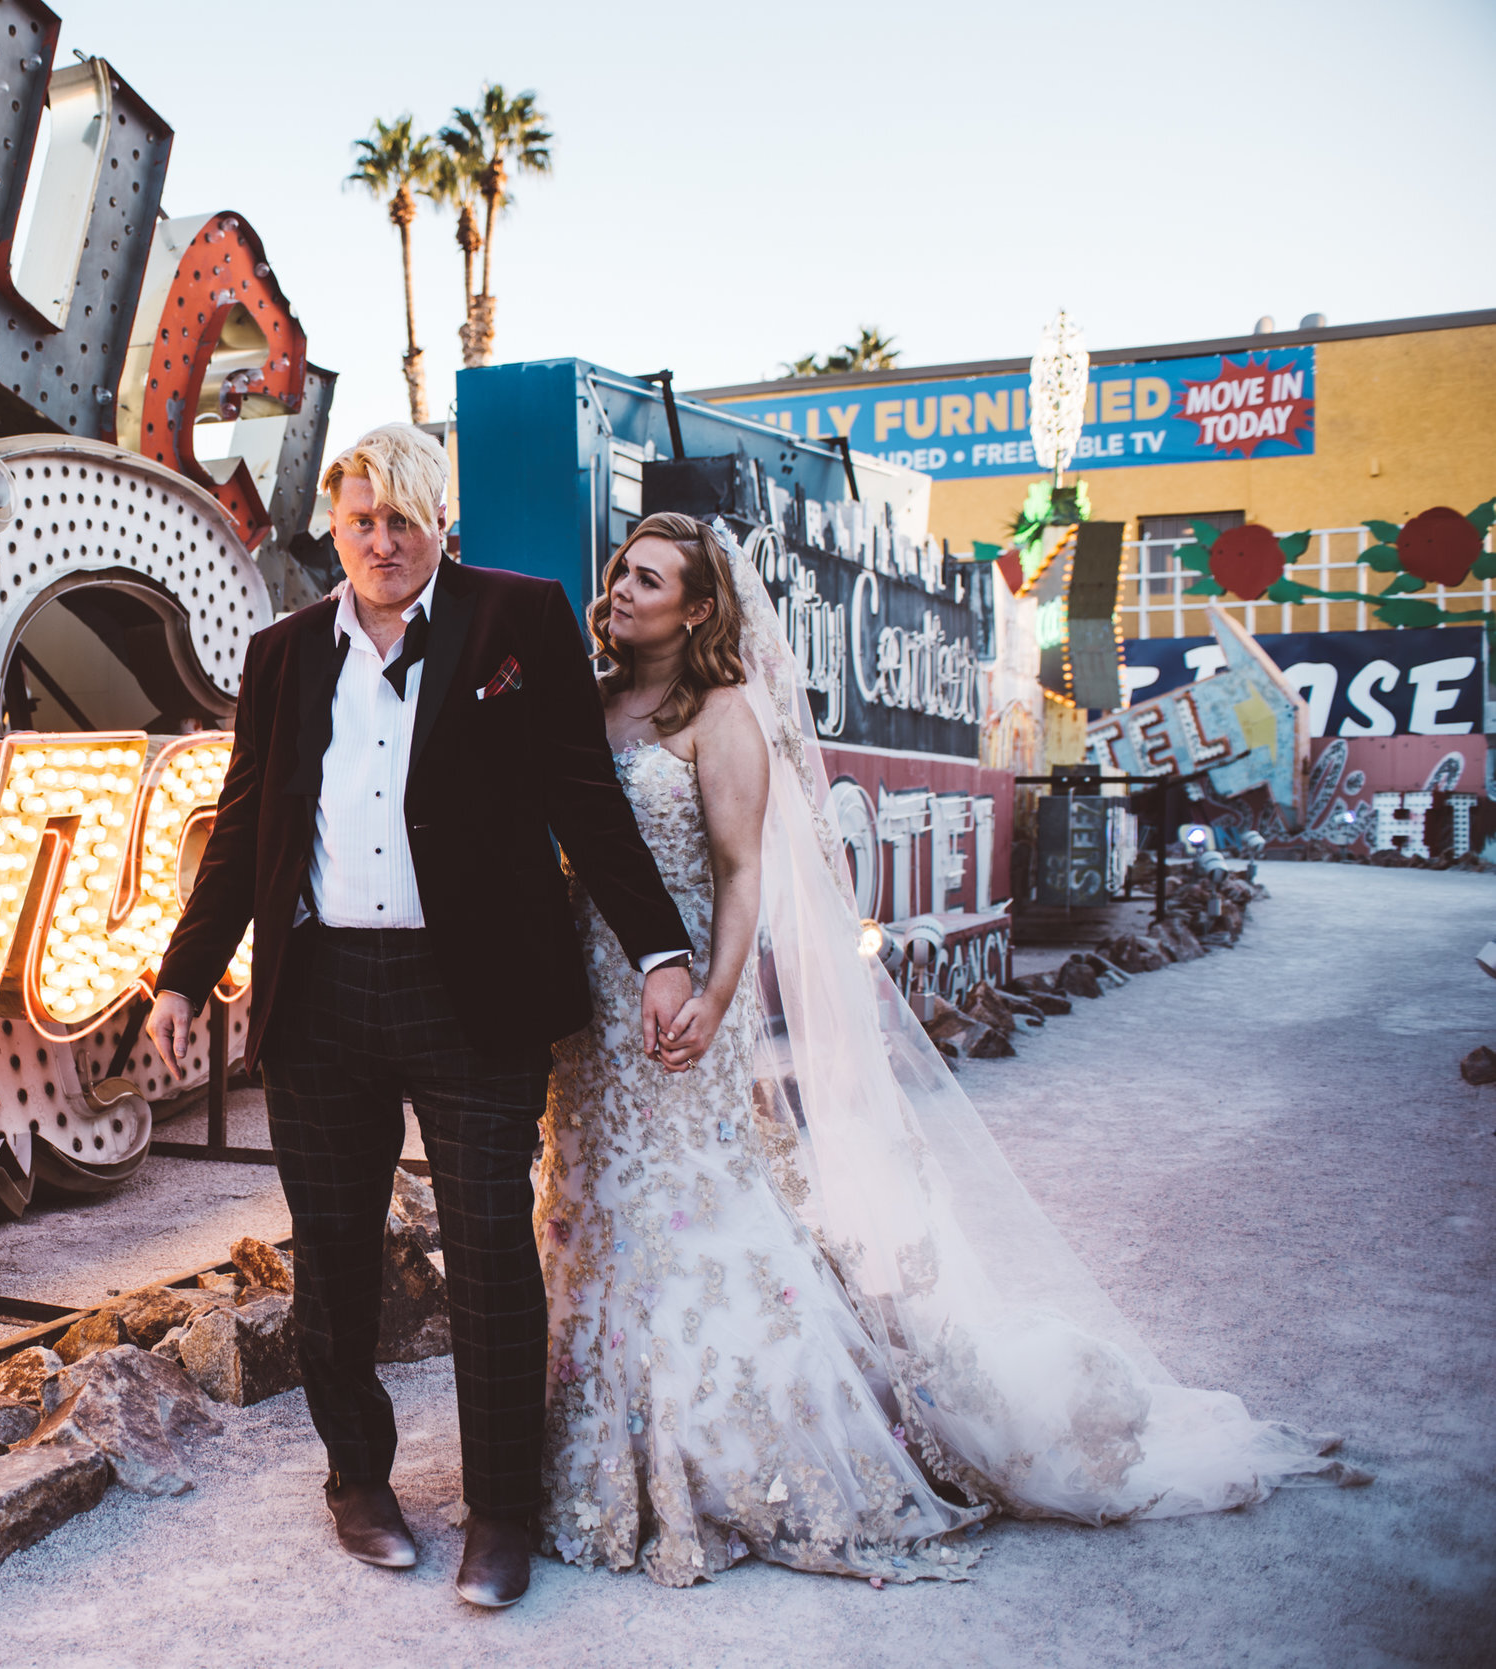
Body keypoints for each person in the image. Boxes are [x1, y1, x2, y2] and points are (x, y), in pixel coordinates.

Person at [538, 511, 1364, 1587]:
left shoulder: (725, 713)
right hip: (590, 1002)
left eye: (649, 579)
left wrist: (717, 992)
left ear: (698, 609)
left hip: (686, 992)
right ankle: (597, 1444)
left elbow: (742, 874)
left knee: (687, 1201)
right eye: (619, 571)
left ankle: (726, 1453)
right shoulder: (589, 702)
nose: (620, 590)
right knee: (592, 1199)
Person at [147, 425, 697, 1609]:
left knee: (490, 1252)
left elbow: (583, 796)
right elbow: (244, 828)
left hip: (474, 992)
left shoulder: (519, 617)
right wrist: (183, 978)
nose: (383, 542)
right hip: (321, 995)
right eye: (362, 521)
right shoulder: (283, 653)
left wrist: (660, 949)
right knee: (334, 1257)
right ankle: (358, 1481)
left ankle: (500, 1511)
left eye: (403, 519)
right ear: (333, 528)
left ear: (440, 523)